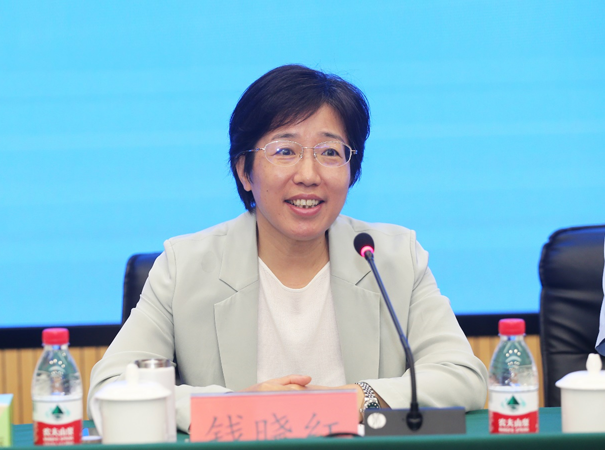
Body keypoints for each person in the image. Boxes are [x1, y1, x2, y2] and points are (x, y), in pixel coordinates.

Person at [88, 64, 488, 432]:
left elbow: (462, 376)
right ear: (244, 171)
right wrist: (235, 407)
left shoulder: (393, 257)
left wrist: (356, 398)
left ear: (352, 170)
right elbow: (112, 385)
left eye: (330, 152)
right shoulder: (184, 266)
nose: (309, 175)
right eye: (285, 151)